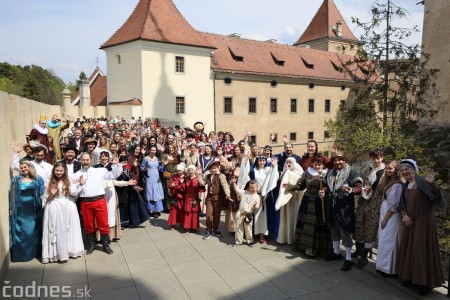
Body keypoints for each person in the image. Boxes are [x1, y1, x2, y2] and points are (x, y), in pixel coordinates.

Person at [396, 159, 445, 296]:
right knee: (409, 249)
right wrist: (404, 216)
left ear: (413, 169)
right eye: (402, 170)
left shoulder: (423, 182)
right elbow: (402, 204)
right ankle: (412, 278)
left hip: (423, 222)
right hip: (410, 221)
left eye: (407, 169)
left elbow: (437, 197)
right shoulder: (406, 185)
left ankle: (426, 283)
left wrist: (432, 183)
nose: (404, 172)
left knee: (421, 250)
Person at [72, 153, 123, 255]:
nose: (85, 162)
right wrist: (79, 185)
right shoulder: (76, 175)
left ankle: (105, 245)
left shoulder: (100, 171)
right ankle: (91, 245)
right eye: (83, 160)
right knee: (88, 225)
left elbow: (113, 175)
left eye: (87, 160)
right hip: (85, 202)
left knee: (103, 223)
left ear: (91, 160)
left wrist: (116, 165)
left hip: (99, 200)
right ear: (80, 161)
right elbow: (74, 192)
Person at [320, 153, 362, 271]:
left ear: (345, 160)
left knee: (345, 233)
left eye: (340, 160)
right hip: (331, 207)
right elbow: (326, 187)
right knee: (334, 231)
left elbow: (359, 188)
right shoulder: (329, 173)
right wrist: (323, 191)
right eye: (335, 160)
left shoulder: (351, 173)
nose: (337, 162)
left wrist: (352, 190)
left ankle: (348, 258)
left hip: (344, 208)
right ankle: (336, 252)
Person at [284, 154, 332, 257]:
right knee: (307, 225)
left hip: (320, 203)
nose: (317, 166)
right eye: (315, 164)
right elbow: (300, 186)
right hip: (307, 202)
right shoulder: (306, 174)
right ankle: (306, 248)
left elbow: (331, 187)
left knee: (319, 225)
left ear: (323, 165)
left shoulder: (327, 175)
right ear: (312, 164)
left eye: (319, 164)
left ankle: (320, 250)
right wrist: (290, 186)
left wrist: (325, 190)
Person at [41, 163, 84, 263]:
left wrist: (79, 185)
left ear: (64, 171)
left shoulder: (69, 181)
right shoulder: (48, 182)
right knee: (56, 229)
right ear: (53, 171)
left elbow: (74, 193)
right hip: (54, 206)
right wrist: (51, 194)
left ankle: (69, 251)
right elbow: (44, 199)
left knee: (69, 228)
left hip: (68, 205)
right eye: (57, 171)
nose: (59, 173)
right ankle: (57, 253)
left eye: (61, 171)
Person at [353, 148, 385, 267]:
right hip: (363, 202)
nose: (376, 160)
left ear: (382, 157)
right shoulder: (366, 169)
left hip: (376, 204)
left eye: (378, 158)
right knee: (359, 225)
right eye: (373, 158)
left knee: (371, 228)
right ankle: (358, 250)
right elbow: (360, 182)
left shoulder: (386, 171)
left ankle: (364, 255)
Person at [9, 161, 45, 262]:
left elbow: (42, 194)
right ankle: (21, 255)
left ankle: (34, 252)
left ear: (29, 167)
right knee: (20, 231)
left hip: (33, 209)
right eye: (21, 168)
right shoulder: (16, 180)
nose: (24, 169)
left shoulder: (38, 179)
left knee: (32, 230)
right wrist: (12, 208)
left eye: (25, 167)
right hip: (20, 209)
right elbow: (12, 195)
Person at [375, 161, 403, 277]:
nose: (387, 170)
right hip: (385, 212)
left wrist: (385, 219)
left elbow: (394, 205)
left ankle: (389, 269)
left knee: (389, 240)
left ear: (396, 170)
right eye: (386, 168)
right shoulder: (390, 182)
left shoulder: (397, 184)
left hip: (391, 215)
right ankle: (382, 266)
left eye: (390, 168)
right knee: (383, 239)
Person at [198, 161, 231, 239]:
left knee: (217, 215)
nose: (213, 170)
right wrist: (199, 175)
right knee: (209, 215)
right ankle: (208, 230)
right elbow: (202, 183)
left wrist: (228, 194)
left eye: (215, 168)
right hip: (209, 198)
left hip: (218, 198)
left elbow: (225, 185)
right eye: (212, 168)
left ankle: (215, 229)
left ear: (218, 168)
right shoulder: (208, 176)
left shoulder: (221, 176)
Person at [275, 157, 304, 245]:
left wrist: (289, 174)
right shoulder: (284, 173)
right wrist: (285, 173)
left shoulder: (299, 174)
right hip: (285, 201)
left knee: (294, 218)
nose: (288, 164)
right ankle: (284, 238)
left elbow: (301, 186)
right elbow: (279, 183)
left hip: (295, 199)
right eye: (287, 162)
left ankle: (294, 239)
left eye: (290, 162)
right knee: (286, 218)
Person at [232, 179, 261, 246]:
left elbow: (256, 207)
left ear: (257, 188)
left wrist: (254, 206)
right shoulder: (245, 192)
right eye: (250, 187)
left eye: (253, 188)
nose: (251, 189)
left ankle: (249, 240)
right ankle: (238, 241)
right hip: (240, 212)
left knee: (248, 228)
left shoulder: (257, 197)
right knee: (238, 227)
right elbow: (237, 190)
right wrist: (234, 183)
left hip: (248, 214)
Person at [140, 145, 165, 218]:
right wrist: (144, 169)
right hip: (149, 177)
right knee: (150, 192)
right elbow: (141, 168)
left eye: (154, 150)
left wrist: (163, 164)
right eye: (152, 150)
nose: (153, 152)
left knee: (157, 192)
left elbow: (160, 169)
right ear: (149, 151)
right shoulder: (145, 158)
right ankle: (150, 210)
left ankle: (157, 210)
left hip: (157, 177)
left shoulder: (157, 158)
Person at [183, 165, 202, 232]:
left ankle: (194, 227)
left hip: (194, 197)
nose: (191, 171)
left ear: (194, 171)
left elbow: (201, 189)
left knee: (194, 212)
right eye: (189, 170)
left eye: (192, 170)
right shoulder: (186, 179)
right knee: (188, 212)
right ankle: (187, 226)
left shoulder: (197, 178)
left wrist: (196, 199)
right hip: (188, 197)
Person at [168, 164, 187, 229]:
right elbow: (170, 185)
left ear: (183, 170)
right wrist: (171, 185)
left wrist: (178, 185)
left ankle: (182, 223)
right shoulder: (174, 176)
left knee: (181, 210)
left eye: (180, 171)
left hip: (182, 196)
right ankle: (172, 223)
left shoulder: (185, 177)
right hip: (174, 195)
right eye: (178, 171)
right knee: (173, 210)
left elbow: (184, 188)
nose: (179, 172)